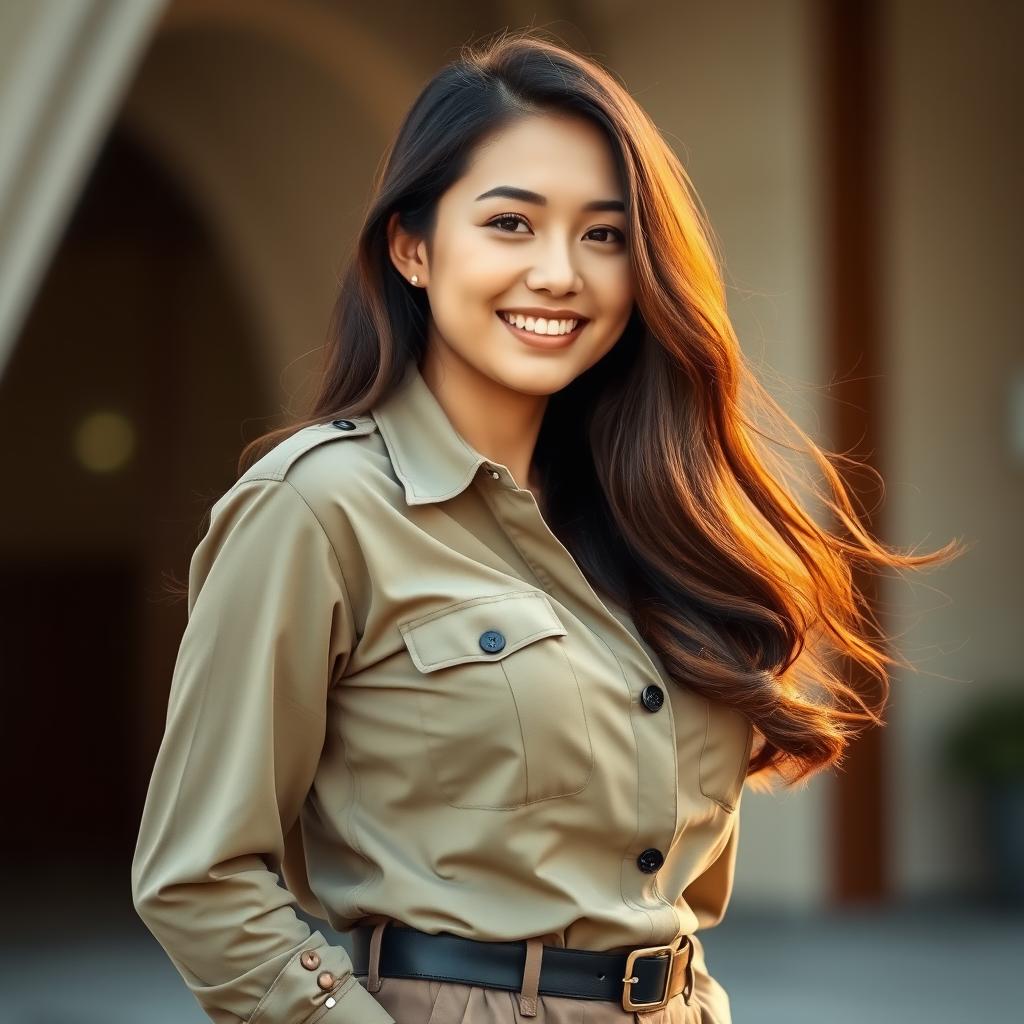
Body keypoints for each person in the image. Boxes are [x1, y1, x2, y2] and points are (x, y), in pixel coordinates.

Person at [130, 29, 960, 1024]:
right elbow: (197, 878)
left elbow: (673, 889)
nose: (561, 273)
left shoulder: (656, 516)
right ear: (412, 246)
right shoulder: (318, 507)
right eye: (511, 224)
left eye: (604, 235)